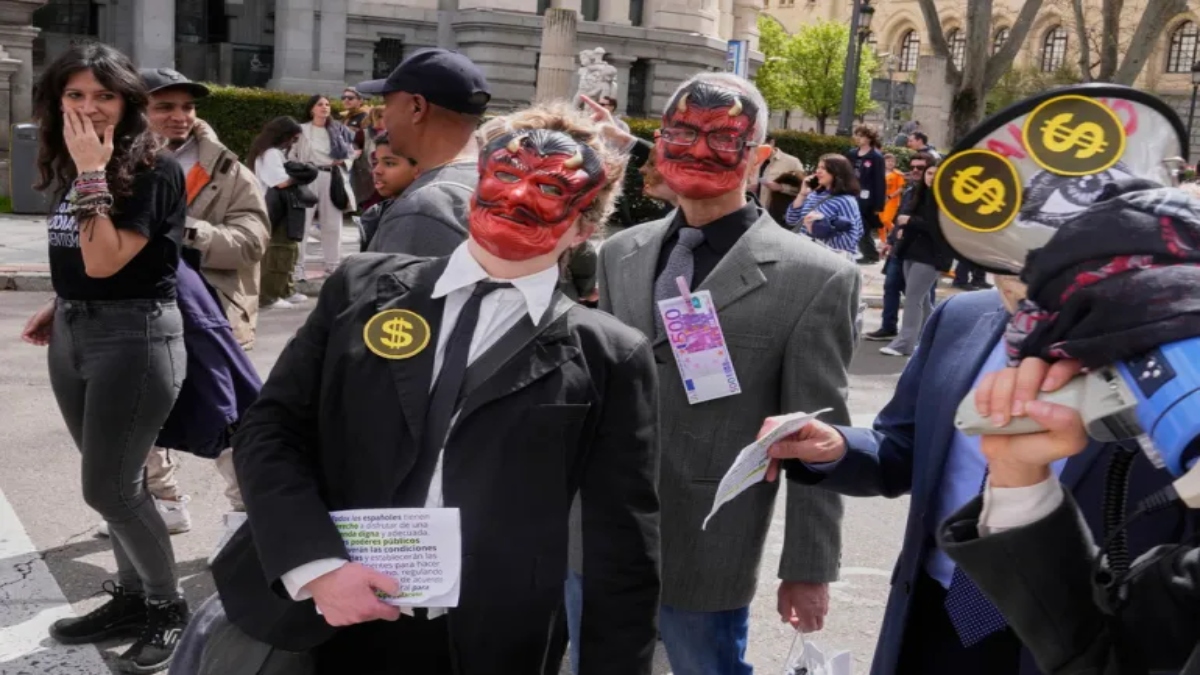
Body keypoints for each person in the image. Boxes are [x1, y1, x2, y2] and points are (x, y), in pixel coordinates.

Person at [208, 101, 660, 675]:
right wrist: (316, 565)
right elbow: (270, 429)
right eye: (506, 176)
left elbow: (620, 543)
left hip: (489, 638)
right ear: (475, 191)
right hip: (326, 618)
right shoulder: (361, 290)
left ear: (584, 225)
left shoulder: (609, 355)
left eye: (549, 188)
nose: (518, 198)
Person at [760, 275, 1188, 675]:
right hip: (933, 610)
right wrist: (837, 447)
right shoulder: (961, 317)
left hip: (1089, 630)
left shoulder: (1175, 346)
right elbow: (902, 447)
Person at [583, 72, 858, 675]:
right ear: (658, 144)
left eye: (724, 138)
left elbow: (820, 432)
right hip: (595, 533)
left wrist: (807, 568)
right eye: (681, 132)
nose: (698, 150)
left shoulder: (815, 278)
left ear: (759, 155)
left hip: (709, 542)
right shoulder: (621, 251)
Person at [21, 42, 190, 672]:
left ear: (128, 102)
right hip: (76, 330)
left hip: (134, 338)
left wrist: (93, 171)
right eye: (74, 95)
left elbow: (104, 258)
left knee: (112, 488)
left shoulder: (152, 167)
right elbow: (80, 263)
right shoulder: (73, 161)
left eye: (103, 95)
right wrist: (62, 302)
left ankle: (168, 608)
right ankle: (131, 597)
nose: (88, 108)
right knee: (114, 485)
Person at [100, 67, 271, 548]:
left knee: (224, 412)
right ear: (138, 111)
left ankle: (248, 513)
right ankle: (164, 501)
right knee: (135, 415)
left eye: (187, 107)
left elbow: (253, 241)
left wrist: (185, 229)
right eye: (165, 107)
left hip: (208, 313)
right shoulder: (114, 163)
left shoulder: (225, 168)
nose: (180, 117)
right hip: (136, 313)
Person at [361, 48, 490, 256]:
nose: (384, 118)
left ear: (417, 107)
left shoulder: (425, 208)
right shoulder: (500, 181)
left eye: (387, 103)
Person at [879, 161, 954, 358]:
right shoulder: (918, 193)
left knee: (913, 299)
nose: (931, 177)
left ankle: (904, 344)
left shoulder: (948, 199)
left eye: (936, 174)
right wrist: (899, 232)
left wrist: (910, 222)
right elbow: (902, 217)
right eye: (929, 173)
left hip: (932, 254)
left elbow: (940, 226)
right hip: (910, 250)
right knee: (922, 300)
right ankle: (934, 338)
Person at [865, 152, 933, 342]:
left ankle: (924, 332)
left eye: (921, 168)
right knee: (891, 286)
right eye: (912, 167)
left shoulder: (936, 195)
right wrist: (890, 241)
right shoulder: (910, 190)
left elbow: (933, 224)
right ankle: (888, 327)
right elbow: (900, 218)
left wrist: (910, 224)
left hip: (922, 251)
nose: (915, 171)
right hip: (901, 247)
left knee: (920, 295)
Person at [291, 94, 357, 276]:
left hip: (332, 177)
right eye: (320, 104)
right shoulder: (301, 130)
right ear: (312, 108)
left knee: (333, 223)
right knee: (303, 222)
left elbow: (350, 154)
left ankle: (333, 266)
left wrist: (343, 163)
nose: (324, 107)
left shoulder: (338, 129)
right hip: (308, 176)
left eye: (327, 104)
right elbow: (291, 154)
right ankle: (298, 267)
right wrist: (299, 170)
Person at [249, 116, 309, 310]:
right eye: (293, 139)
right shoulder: (272, 153)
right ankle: (269, 295)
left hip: (278, 206)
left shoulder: (267, 152)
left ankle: (284, 290)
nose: (293, 143)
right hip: (276, 206)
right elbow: (280, 181)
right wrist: (300, 176)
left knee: (289, 248)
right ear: (285, 136)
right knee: (279, 250)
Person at [785, 153, 864, 259]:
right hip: (807, 256)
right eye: (818, 167)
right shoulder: (814, 195)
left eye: (824, 168)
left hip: (829, 261)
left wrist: (817, 230)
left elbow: (850, 240)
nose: (818, 171)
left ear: (837, 173)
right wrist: (802, 194)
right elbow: (791, 220)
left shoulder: (846, 201)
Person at [357, 132, 419, 251]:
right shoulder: (377, 214)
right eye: (375, 162)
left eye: (389, 163)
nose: (376, 170)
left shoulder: (423, 217)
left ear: (418, 168)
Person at [846, 125, 887, 263]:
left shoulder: (876, 157)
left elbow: (879, 181)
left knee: (863, 226)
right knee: (853, 224)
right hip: (851, 194)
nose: (858, 138)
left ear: (869, 138)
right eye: (856, 135)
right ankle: (865, 252)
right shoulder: (852, 153)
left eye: (861, 135)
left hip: (866, 198)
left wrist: (878, 204)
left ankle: (870, 254)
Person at [341, 87, 375, 206]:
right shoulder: (347, 116)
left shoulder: (364, 116)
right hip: (348, 157)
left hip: (360, 160)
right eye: (343, 98)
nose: (346, 100)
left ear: (360, 100)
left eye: (350, 98)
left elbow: (367, 139)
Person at [755, 137, 804, 212]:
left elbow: (804, 189)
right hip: (756, 212)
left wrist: (781, 188)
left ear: (772, 142)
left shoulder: (792, 162)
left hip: (778, 215)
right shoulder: (752, 160)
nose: (758, 149)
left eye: (761, 145)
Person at [879, 152, 906, 243]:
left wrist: (890, 196)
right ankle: (883, 242)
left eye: (892, 161)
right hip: (880, 200)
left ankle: (897, 234)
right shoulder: (879, 173)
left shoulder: (898, 174)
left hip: (892, 200)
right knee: (880, 223)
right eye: (888, 161)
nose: (890, 163)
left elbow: (901, 188)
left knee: (886, 220)